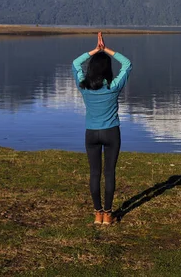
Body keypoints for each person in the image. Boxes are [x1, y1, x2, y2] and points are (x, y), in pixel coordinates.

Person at [72, 32, 132, 226]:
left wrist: (93, 51)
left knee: (95, 173)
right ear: (107, 70)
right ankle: (108, 214)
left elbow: (75, 64)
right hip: (111, 132)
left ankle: (97, 214)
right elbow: (127, 64)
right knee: (109, 173)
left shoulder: (84, 87)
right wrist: (106, 50)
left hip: (91, 133)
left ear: (90, 69)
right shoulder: (113, 86)